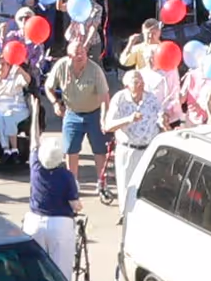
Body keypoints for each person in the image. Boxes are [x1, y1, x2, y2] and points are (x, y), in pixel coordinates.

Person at [46, 38, 111, 189]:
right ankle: (72, 182)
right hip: (72, 113)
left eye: (83, 52)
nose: (81, 56)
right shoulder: (61, 67)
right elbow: (48, 87)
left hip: (94, 113)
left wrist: (103, 118)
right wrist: (55, 103)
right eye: (77, 54)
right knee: (70, 150)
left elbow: (104, 97)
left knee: (99, 149)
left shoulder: (95, 70)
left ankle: (102, 183)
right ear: (69, 56)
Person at [101, 69, 164, 210]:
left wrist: (164, 122)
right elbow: (108, 126)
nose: (140, 84)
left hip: (148, 149)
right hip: (128, 149)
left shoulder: (151, 99)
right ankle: (125, 214)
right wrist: (128, 119)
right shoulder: (119, 99)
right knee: (126, 184)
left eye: (141, 80)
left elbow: (159, 118)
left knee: (146, 184)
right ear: (127, 85)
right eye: (136, 81)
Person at [23, 135, 81, 278]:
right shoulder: (66, 176)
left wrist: (35, 114)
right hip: (59, 224)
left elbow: (34, 142)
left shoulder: (35, 168)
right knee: (61, 271)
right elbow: (75, 205)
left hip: (34, 222)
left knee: (34, 269)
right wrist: (79, 205)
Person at [0, 57, 33, 161]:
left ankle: (14, 149)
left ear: (8, 66)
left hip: (17, 108)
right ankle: (6, 149)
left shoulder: (15, 75)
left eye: (3, 64)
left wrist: (22, 71)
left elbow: (28, 81)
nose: (0, 67)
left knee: (9, 115)